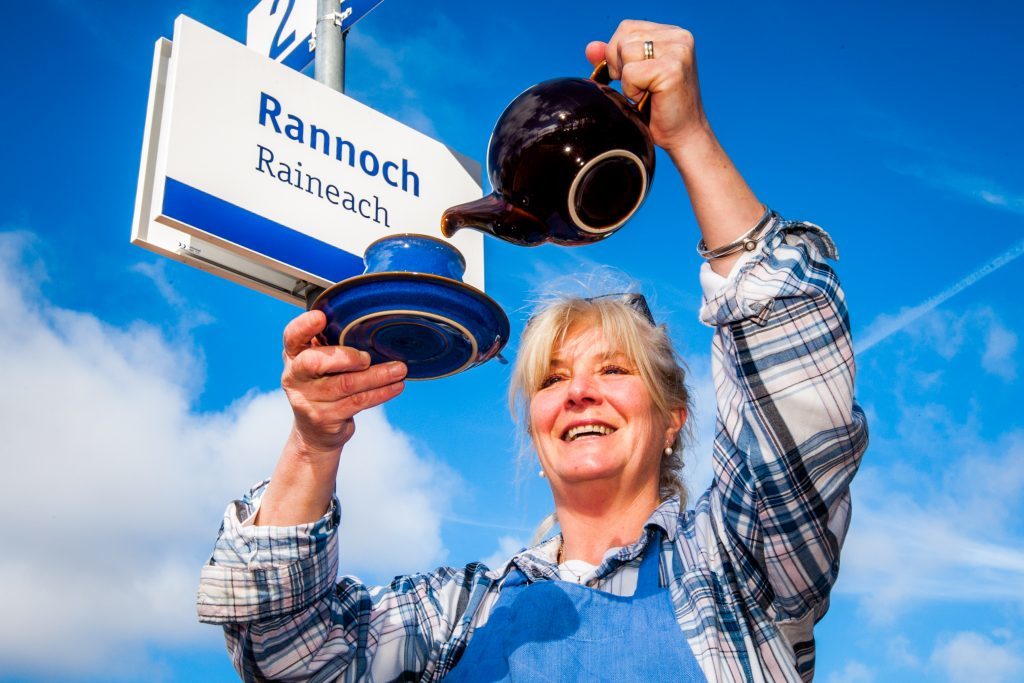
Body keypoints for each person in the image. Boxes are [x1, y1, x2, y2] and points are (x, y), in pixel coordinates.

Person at [197, 19, 868, 682]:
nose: (578, 392)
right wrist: (313, 445)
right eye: (551, 378)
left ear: (673, 420)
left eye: (613, 368)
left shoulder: (739, 570)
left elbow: (798, 379)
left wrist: (688, 138)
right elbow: (287, 654)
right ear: (532, 424)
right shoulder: (458, 615)